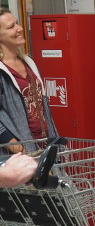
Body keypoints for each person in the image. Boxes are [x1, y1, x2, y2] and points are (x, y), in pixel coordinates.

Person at [0, 9, 58, 152]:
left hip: (45, 144)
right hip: (20, 155)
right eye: (11, 27)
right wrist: (17, 147)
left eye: (17, 23)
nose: (19, 29)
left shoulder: (28, 62)